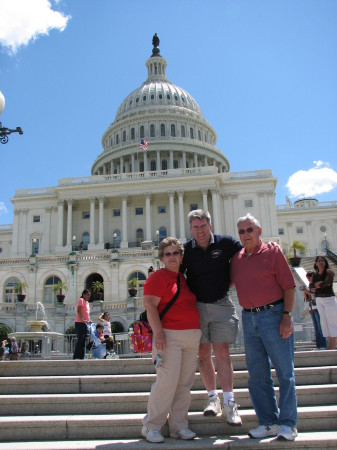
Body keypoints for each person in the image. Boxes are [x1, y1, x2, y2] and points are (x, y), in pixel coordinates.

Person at [231, 213, 298, 441]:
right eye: (242, 231)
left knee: (284, 373)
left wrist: (287, 315)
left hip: (274, 314)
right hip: (249, 319)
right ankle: (268, 421)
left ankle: (288, 423)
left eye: (250, 229)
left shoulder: (273, 251)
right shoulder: (237, 260)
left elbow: (289, 286)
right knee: (257, 375)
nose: (246, 234)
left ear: (259, 231)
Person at [181, 209, 242, 426]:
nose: (200, 231)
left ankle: (229, 402)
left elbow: (247, 253)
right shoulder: (186, 250)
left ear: (210, 225)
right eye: (196, 227)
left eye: (203, 226)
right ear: (190, 229)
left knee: (223, 351)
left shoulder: (226, 243)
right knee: (203, 354)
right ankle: (212, 398)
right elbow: (176, 275)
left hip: (221, 304)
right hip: (196, 307)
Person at [141, 237, 201, 444]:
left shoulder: (183, 279)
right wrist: (158, 334)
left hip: (191, 337)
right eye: (168, 254)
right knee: (166, 383)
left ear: (182, 256)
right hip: (169, 337)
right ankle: (151, 426)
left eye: (176, 253)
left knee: (184, 385)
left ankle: (179, 426)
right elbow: (150, 307)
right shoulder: (158, 277)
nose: (172, 257)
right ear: (162, 258)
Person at [308, 256, 337, 350]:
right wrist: (318, 284)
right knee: (323, 322)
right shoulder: (315, 275)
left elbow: (326, 283)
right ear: (315, 263)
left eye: (322, 261)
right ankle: (329, 343)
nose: (320, 262)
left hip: (329, 298)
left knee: (332, 321)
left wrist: (317, 285)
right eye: (318, 261)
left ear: (325, 262)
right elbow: (311, 286)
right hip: (319, 299)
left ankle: (334, 344)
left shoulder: (329, 272)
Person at [300, 272, 327, 350]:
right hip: (312, 308)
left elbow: (314, 294)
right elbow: (308, 299)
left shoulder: (315, 285)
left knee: (320, 327)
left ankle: (323, 345)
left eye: (310, 277)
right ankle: (319, 346)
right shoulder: (309, 286)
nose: (308, 279)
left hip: (317, 308)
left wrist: (306, 290)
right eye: (307, 278)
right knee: (316, 329)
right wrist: (304, 291)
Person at [73, 289, 92, 360]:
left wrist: (88, 320)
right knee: (80, 339)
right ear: (83, 294)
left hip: (84, 323)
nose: (88, 296)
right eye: (87, 294)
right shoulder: (81, 300)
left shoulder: (87, 303)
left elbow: (86, 313)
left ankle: (81, 356)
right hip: (79, 323)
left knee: (83, 340)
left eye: (89, 295)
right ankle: (76, 356)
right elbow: (79, 310)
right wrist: (82, 319)